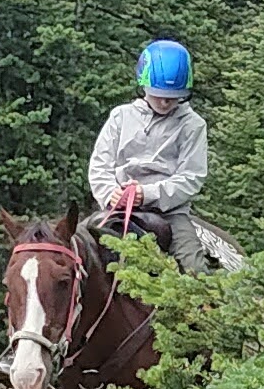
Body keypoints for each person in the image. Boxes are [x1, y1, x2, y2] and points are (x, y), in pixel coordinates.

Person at [87, 39, 223, 269]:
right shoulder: (121, 117)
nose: (164, 101)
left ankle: (205, 303)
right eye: (157, 93)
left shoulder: (193, 125)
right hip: (116, 209)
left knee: (195, 267)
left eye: (172, 96)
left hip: (170, 213)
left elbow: (192, 177)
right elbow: (100, 165)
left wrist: (147, 194)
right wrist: (110, 192)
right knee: (76, 253)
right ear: (143, 86)